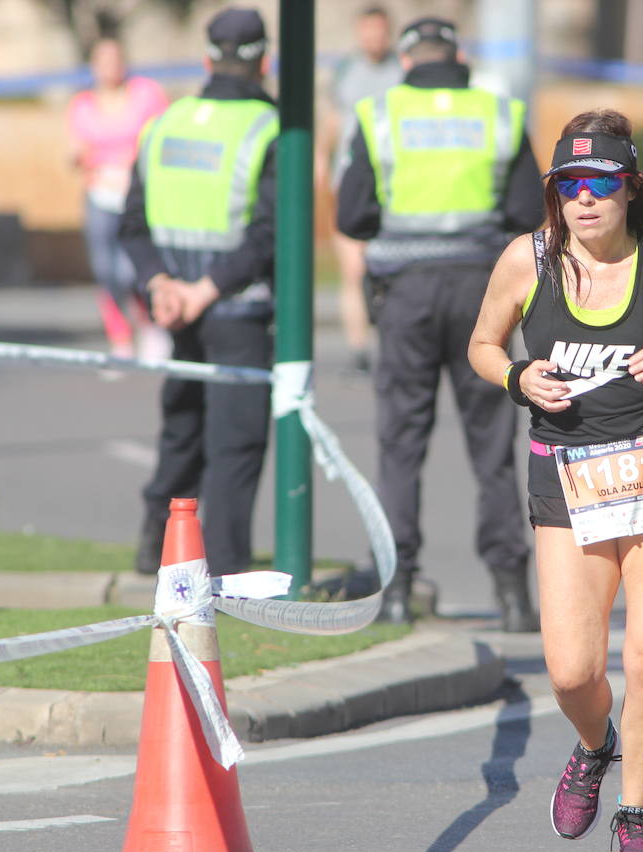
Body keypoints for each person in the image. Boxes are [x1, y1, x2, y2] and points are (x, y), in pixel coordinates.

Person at [467, 109, 643, 852]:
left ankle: (635, 809)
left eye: (601, 184)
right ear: (555, 195)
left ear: (628, 189)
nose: (585, 200)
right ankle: (594, 743)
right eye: (570, 185)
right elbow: (483, 344)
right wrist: (518, 375)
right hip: (569, 475)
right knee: (573, 670)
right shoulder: (530, 261)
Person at [336, 16, 543, 631]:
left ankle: (396, 590)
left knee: (402, 442)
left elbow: (352, 214)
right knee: (492, 448)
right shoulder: (499, 113)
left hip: (406, 295)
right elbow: (528, 208)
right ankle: (512, 595)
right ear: (459, 58)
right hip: (482, 291)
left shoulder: (379, 114)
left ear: (405, 60)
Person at [119, 7, 278, 577]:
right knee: (235, 445)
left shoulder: (165, 123)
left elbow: (131, 223)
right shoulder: (270, 128)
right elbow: (270, 233)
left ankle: (153, 548)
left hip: (175, 308)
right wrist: (203, 290)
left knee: (181, 428)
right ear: (264, 60)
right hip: (236, 306)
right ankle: (227, 568)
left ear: (208, 58)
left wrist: (162, 285)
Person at [67, 36, 172, 363]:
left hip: (138, 194)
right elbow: (74, 150)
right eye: (103, 61)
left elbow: (164, 136)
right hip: (101, 191)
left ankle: (150, 326)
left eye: (115, 59)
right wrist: (81, 159)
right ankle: (120, 337)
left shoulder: (146, 94)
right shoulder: (82, 105)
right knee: (105, 269)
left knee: (132, 269)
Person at [316, 5, 403, 374]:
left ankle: (390, 342)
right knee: (353, 268)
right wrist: (321, 157)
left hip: (394, 185)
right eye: (367, 31)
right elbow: (333, 119)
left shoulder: (401, 71)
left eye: (379, 31)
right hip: (351, 180)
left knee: (391, 270)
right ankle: (358, 350)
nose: (373, 38)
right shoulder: (347, 71)